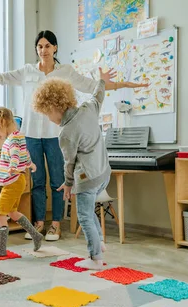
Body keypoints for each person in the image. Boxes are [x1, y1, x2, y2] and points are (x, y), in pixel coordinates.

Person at [0, 30, 147, 242]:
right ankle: (38, 224)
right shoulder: (27, 71)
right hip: (31, 136)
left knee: (58, 180)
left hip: (56, 135)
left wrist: (128, 85)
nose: (43, 50)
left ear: (55, 48)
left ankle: (55, 225)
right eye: (40, 46)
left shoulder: (65, 71)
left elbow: (93, 86)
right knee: (37, 181)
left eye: (47, 46)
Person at [31, 70, 113, 270]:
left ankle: (95, 259)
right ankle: (99, 242)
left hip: (87, 178)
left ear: (53, 107)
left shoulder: (66, 133)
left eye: (47, 114)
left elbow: (69, 163)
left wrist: (68, 184)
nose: (49, 119)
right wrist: (102, 80)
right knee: (89, 209)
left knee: (84, 216)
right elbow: (98, 95)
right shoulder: (88, 108)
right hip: (104, 174)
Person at [0, 107, 43, 257]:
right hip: (17, 180)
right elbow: (25, 153)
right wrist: (30, 164)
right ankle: (36, 235)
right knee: (12, 212)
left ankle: (1, 249)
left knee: (0, 213)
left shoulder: (13, 140)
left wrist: (13, 166)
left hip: (12, 180)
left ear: (2, 122)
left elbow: (15, 153)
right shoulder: (17, 136)